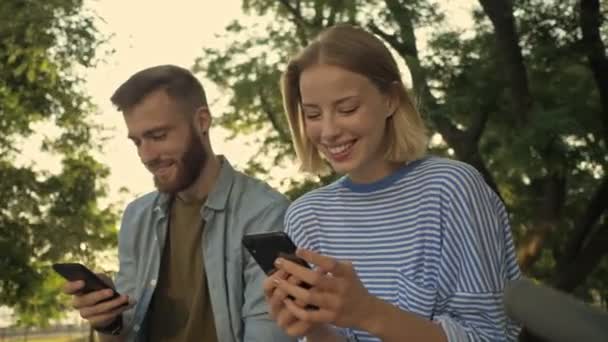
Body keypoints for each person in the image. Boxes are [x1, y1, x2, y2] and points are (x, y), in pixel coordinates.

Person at [263, 24, 521, 342]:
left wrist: (369, 313)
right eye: (313, 114)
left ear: (391, 100)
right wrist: (314, 327)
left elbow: (491, 337)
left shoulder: (451, 190)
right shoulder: (307, 217)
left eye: (347, 108)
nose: (328, 131)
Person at [61, 65, 295, 342]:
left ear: (202, 121)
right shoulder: (137, 218)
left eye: (158, 136)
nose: (146, 156)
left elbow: (270, 335)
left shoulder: (265, 214)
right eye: (137, 142)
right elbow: (125, 336)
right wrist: (109, 322)